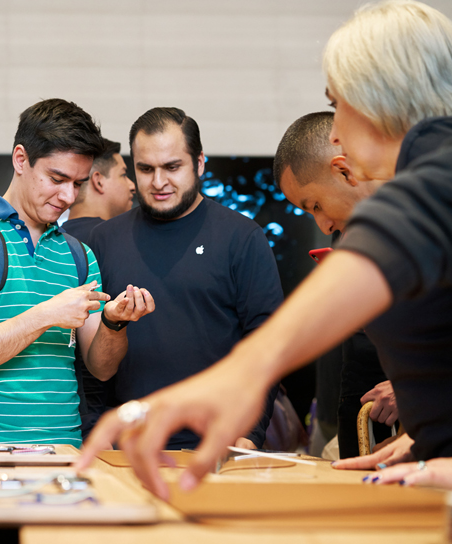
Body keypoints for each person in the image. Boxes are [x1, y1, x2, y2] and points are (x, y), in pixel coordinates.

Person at [78, 0, 452, 496]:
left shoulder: (436, 177)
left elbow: (372, 256)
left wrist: (229, 381)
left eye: (337, 103)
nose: (335, 130)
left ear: (380, 97)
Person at [0, 98, 155, 446]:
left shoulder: (79, 255)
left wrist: (114, 323)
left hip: (67, 451)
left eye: (78, 183)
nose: (68, 195)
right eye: (57, 178)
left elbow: (101, 368)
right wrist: (49, 314)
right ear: (21, 159)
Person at [86, 107, 283, 451]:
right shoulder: (103, 241)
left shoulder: (242, 238)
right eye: (146, 169)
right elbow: (92, 368)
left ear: (200, 163)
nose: (159, 182)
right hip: (126, 448)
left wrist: (248, 435)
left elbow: (267, 344)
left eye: (172, 167)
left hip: (217, 445)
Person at [274, 111, 399, 458]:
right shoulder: (351, 236)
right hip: (359, 417)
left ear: (343, 170)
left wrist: (416, 388)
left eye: (316, 205)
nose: (324, 223)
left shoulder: (427, 214)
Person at [61, 137, 134, 438]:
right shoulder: (111, 244)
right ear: (98, 180)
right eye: (124, 173)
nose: (133, 185)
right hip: (97, 414)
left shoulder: (57, 244)